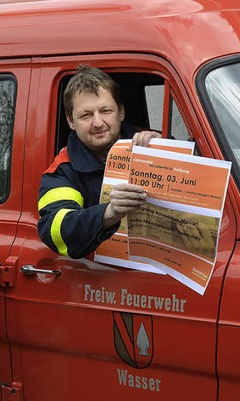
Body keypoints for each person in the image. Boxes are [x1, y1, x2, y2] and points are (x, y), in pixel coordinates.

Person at [37, 65, 160, 258]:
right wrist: (109, 213)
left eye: (105, 111)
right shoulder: (62, 170)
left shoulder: (157, 144)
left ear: (120, 112)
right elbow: (56, 230)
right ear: (71, 121)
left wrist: (169, 152)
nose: (97, 123)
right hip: (102, 280)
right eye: (86, 115)